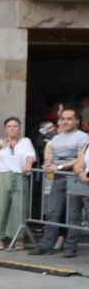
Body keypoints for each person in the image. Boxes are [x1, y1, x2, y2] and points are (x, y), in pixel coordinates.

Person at [32, 106, 86, 257]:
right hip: (58, 177)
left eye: (69, 119)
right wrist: (48, 163)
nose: (65, 121)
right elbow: (51, 154)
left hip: (74, 177)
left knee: (73, 214)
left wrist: (59, 166)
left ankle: (71, 247)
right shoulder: (56, 138)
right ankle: (46, 245)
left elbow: (81, 158)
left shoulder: (83, 137)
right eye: (63, 118)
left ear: (77, 121)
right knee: (52, 212)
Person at [0, 117, 38, 250]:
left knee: (19, 208)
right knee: (0, 207)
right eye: (9, 126)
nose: (12, 129)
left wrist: (28, 164)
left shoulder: (25, 141)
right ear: (5, 129)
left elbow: (31, 155)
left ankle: (18, 238)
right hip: (3, 176)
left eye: (15, 126)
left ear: (19, 128)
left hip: (20, 176)